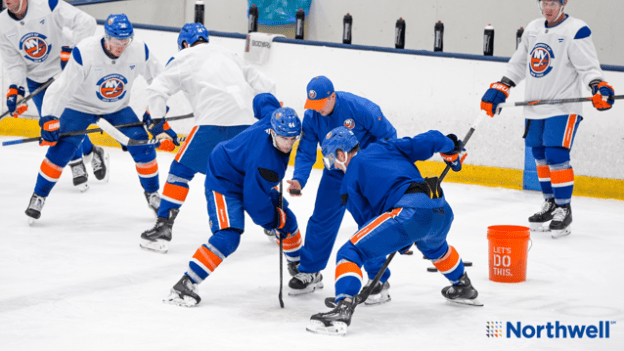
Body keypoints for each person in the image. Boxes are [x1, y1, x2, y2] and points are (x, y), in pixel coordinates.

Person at [306, 127, 480, 336]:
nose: (333, 165)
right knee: (436, 249)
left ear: (342, 154)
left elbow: (368, 228)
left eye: (332, 159)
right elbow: (429, 140)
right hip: (440, 210)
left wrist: (398, 241)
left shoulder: (348, 181)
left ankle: (342, 308)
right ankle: (463, 286)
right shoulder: (385, 146)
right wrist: (451, 147)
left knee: (350, 252)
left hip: (409, 214)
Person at [480, 0, 614, 239]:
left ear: (563, 4)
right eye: (544, 3)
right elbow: (520, 64)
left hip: (563, 106)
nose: (548, 8)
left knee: (555, 154)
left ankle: (564, 208)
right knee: (539, 154)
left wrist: (598, 85)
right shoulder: (533, 28)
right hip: (534, 107)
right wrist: (502, 86)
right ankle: (550, 203)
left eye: (553, 3)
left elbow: (588, 67)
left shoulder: (576, 29)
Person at [139, 22, 277, 254]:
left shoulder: (183, 57)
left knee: (180, 170)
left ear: (184, 43)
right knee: (247, 178)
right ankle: (276, 225)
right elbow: (267, 85)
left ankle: (163, 227)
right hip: (247, 124)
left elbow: (156, 90)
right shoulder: (228, 54)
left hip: (213, 123)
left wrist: (157, 122)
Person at [24, 14, 165, 224]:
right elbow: (62, 87)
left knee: (144, 147)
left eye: (126, 41)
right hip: (80, 106)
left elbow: (160, 80)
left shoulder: (139, 50)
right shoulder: (86, 52)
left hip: (117, 108)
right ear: (106, 38)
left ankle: (153, 194)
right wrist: (49, 118)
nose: (121, 46)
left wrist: (155, 111)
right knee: (61, 151)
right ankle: (39, 196)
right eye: (117, 42)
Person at [163, 107, 303, 307]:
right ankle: (186, 283)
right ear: (272, 130)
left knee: (287, 219)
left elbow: (263, 101)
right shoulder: (267, 162)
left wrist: (266, 103)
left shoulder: (272, 117)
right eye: (283, 138)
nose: (288, 144)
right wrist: (273, 220)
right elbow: (255, 205)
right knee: (229, 236)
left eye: (293, 138)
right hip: (225, 180)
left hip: (247, 173)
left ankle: (300, 268)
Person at [286, 75, 397, 298]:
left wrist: (375, 165)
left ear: (332, 97)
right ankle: (310, 272)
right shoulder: (312, 116)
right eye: (313, 105)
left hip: (366, 171)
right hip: (335, 171)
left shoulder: (360, 108)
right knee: (321, 218)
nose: (317, 110)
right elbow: (307, 150)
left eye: (321, 104)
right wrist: (299, 178)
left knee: (368, 222)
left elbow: (389, 136)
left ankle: (378, 278)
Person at [0, 0, 109, 191]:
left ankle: (77, 163)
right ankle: (90, 153)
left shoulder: (48, 5)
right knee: (52, 125)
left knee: (68, 122)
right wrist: (16, 89)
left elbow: (87, 22)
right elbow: (14, 63)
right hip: (36, 80)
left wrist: (73, 53)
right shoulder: (2, 25)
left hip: (63, 74)